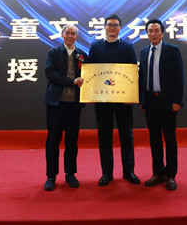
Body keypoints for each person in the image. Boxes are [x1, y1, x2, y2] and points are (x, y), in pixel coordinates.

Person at [86, 14, 140, 186]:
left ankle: (129, 171)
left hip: (123, 98)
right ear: (104, 27)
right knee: (104, 135)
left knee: (126, 135)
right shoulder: (96, 46)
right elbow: (91, 71)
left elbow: (133, 71)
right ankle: (107, 173)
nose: (112, 27)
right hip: (102, 98)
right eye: (109, 24)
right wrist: (90, 94)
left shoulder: (127, 46)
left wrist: (131, 95)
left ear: (120, 28)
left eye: (115, 25)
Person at [138, 18, 184, 191]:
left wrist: (177, 100)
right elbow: (142, 78)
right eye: (150, 31)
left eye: (156, 30)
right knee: (154, 139)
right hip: (150, 101)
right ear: (147, 33)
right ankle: (158, 173)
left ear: (162, 33)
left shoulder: (173, 50)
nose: (153, 34)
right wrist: (142, 100)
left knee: (170, 139)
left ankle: (171, 175)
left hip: (168, 102)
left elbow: (179, 77)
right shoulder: (144, 52)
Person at [43, 23, 86, 191]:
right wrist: (71, 82)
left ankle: (70, 173)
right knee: (53, 141)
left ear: (77, 36)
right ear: (62, 34)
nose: (70, 36)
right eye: (67, 32)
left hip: (74, 105)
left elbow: (89, 76)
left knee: (72, 141)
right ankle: (51, 176)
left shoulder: (82, 55)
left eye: (73, 33)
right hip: (56, 104)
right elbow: (50, 73)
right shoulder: (53, 52)